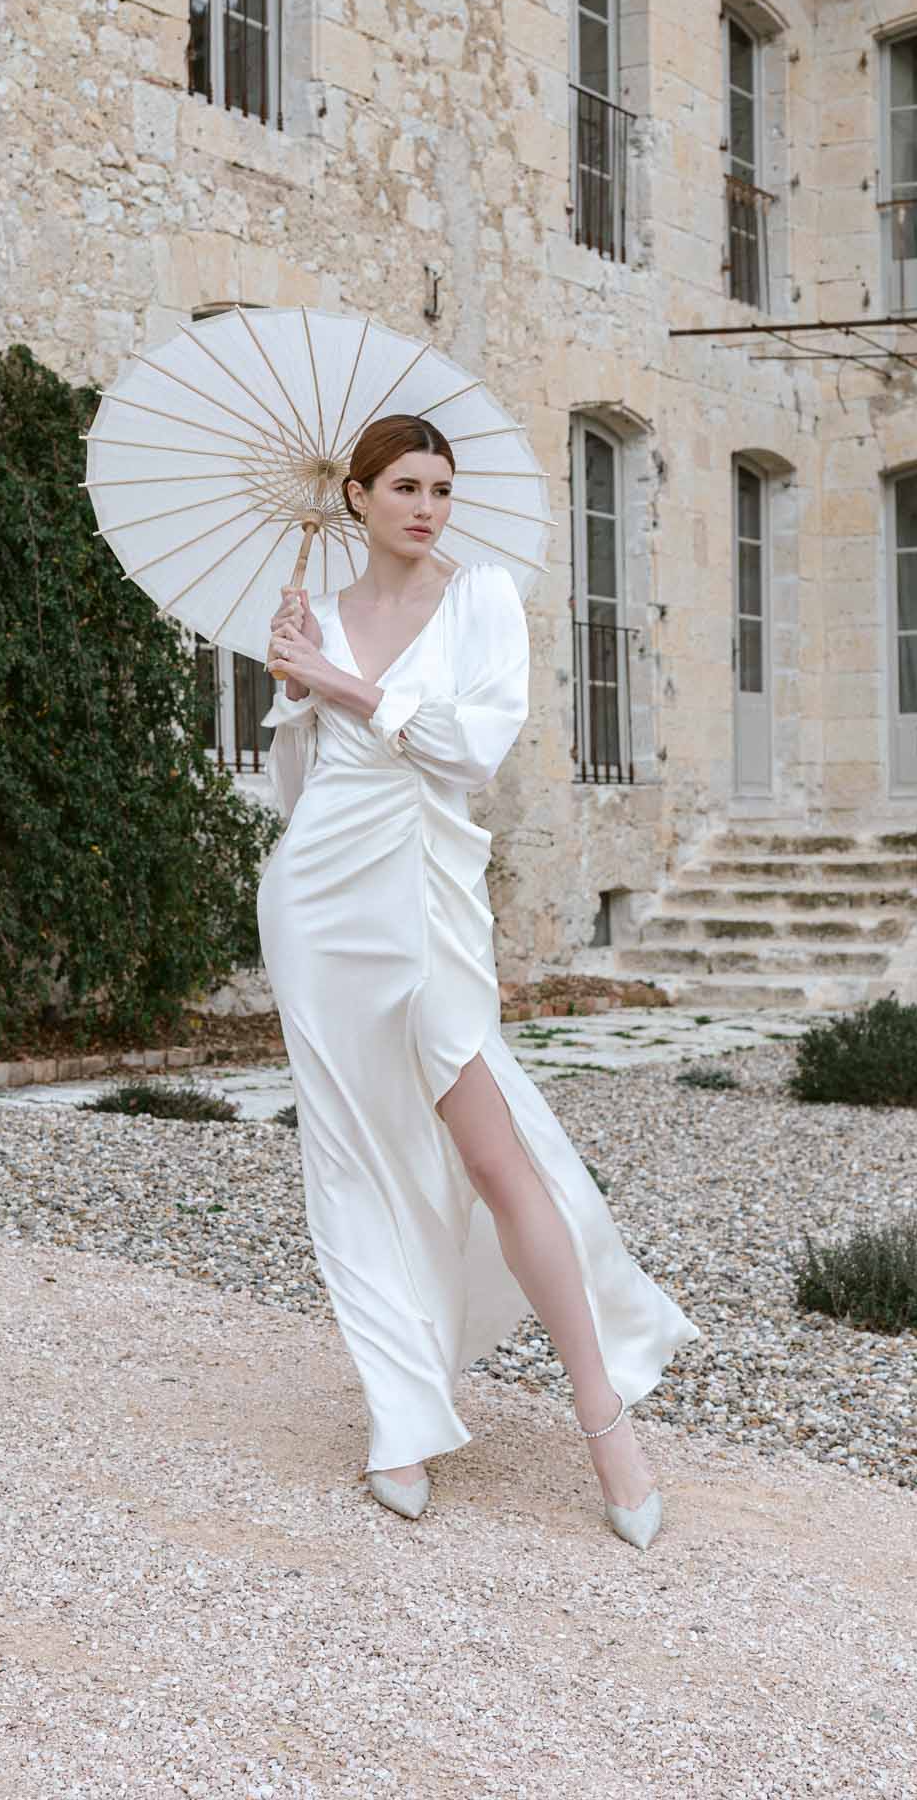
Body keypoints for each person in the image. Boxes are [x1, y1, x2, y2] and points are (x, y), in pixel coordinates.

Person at [256, 411, 700, 1546]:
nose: (425, 506)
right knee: (353, 1154)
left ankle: (607, 1417)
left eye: (439, 488)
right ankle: (402, 1413)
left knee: (498, 1155)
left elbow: (473, 754)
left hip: (425, 898)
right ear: (354, 496)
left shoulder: (481, 598)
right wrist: (296, 686)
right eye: (403, 485)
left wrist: (346, 687)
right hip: (318, 901)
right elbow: (299, 790)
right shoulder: (322, 613)